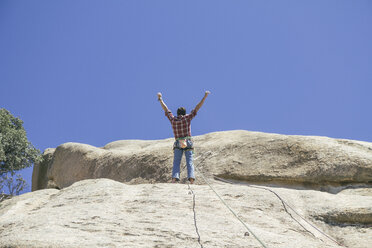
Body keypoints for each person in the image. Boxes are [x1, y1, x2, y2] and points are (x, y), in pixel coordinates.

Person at [157, 91, 210, 184]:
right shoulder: (187, 118)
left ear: (177, 113)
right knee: (189, 161)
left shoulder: (173, 120)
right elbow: (197, 108)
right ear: (184, 113)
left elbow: (166, 109)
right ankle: (191, 179)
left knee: (176, 162)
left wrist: (160, 99)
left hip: (178, 143)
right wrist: (205, 97)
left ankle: (174, 179)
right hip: (188, 142)